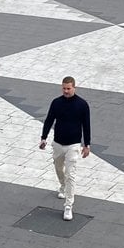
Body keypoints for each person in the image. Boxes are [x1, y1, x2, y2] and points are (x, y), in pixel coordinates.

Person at [39, 76, 92, 221]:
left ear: (74, 87)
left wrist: (87, 145)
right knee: (58, 168)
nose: (66, 91)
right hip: (57, 143)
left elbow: (86, 125)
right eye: (64, 88)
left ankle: (68, 206)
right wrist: (43, 138)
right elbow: (49, 120)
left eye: (68, 88)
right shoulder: (56, 103)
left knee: (71, 175)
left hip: (74, 145)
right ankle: (62, 185)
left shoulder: (82, 105)